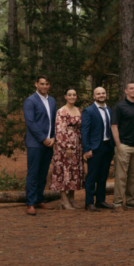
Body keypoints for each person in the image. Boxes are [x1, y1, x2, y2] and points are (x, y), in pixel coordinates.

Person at [23, 76, 57, 216]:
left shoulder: (52, 100)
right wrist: (43, 138)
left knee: (43, 173)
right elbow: (30, 122)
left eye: (47, 84)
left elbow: (54, 121)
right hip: (35, 143)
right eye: (42, 84)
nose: (44, 86)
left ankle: (39, 199)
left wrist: (53, 137)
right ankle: (30, 203)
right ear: (36, 84)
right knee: (33, 173)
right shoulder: (30, 101)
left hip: (49, 143)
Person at [111, 82, 134, 211]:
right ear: (126, 91)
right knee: (121, 176)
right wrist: (118, 144)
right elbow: (114, 126)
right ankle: (117, 203)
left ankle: (130, 200)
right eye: (131, 89)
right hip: (124, 145)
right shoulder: (120, 107)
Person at [50, 88, 85, 210]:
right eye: (69, 95)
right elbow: (60, 130)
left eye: (74, 95)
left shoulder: (78, 110)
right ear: (65, 96)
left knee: (74, 172)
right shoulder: (61, 111)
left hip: (78, 144)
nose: (72, 97)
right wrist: (67, 146)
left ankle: (72, 198)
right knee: (64, 171)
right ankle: (63, 200)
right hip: (65, 146)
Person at [82, 87, 114, 212]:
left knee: (103, 176)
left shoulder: (109, 110)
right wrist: (87, 149)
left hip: (107, 146)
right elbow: (84, 131)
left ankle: (100, 200)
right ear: (94, 96)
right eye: (98, 94)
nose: (101, 95)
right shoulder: (88, 111)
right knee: (92, 176)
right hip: (95, 148)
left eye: (103, 93)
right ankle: (89, 203)